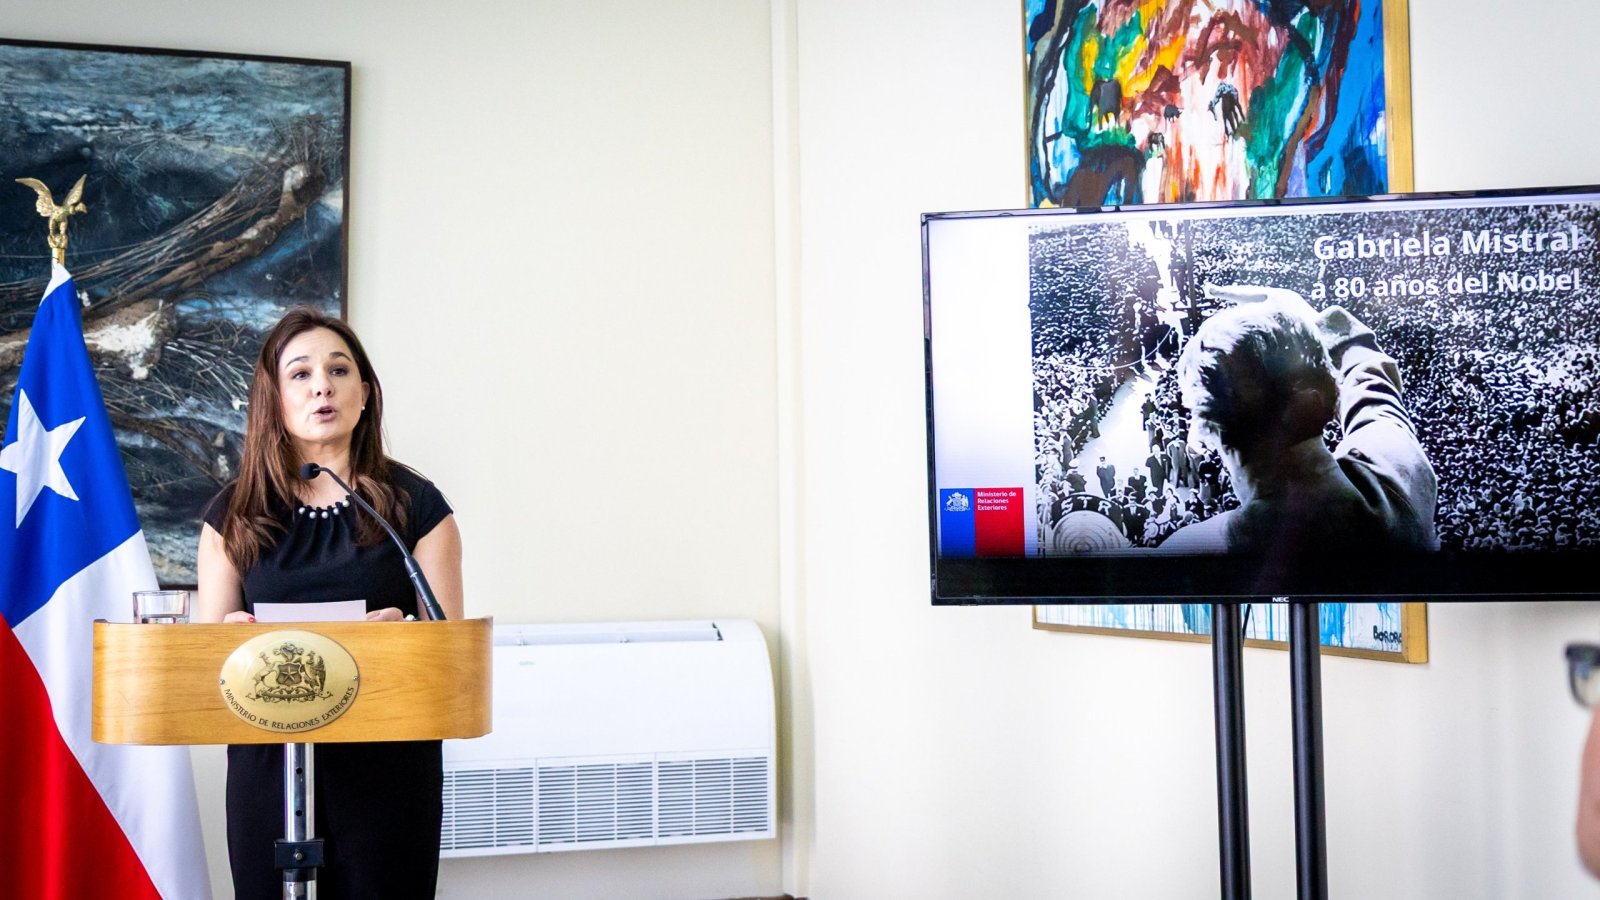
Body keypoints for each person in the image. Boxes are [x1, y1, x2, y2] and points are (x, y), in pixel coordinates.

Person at [196, 308, 464, 900]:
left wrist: (406, 634)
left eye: (339, 370)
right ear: (274, 400)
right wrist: (227, 638)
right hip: (269, 772)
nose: (323, 386)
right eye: (301, 373)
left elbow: (450, 659)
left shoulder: (417, 508)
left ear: (364, 393)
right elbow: (204, 670)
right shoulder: (233, 514)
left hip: (387, 773)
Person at [1158, 285, 1438, 560]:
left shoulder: (1190, 550)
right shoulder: (1398, 478)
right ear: (1328, 397)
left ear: (1205, 428)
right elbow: (1373, 390)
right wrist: (1305, 314)